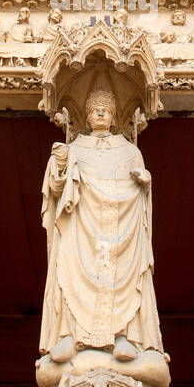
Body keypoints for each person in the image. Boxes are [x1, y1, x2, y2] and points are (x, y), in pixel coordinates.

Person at [39, 86, 161, 364]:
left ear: (114, 116)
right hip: (81, 228)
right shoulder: (74, 149)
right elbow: (57, 190)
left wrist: (145, 180)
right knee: (69, 272)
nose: (101, 114)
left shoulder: (130, 151)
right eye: (95, 111)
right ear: (88, 116)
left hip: (121, 226)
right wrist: (58, 165)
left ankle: (124, 335)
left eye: (106, 110)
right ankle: (69, 335)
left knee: (123, 276)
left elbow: (143, 191)